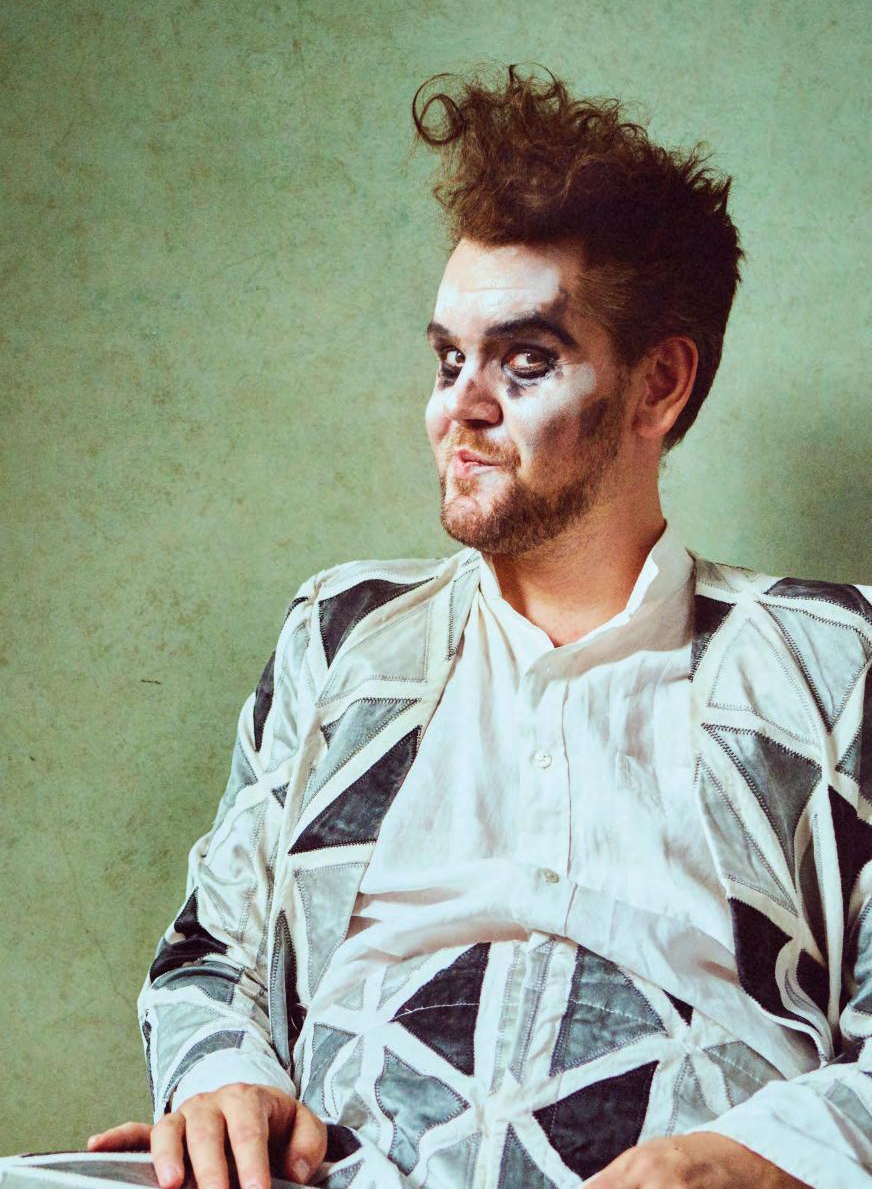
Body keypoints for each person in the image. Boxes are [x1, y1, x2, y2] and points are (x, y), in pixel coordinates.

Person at [87, 66, 872, 1189]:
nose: (458, 406)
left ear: (658, 385)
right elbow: (213, 953)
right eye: (448, 358)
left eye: (525, 360)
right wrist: (222, 1079)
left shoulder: (830, 660)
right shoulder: (345, 637)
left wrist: (748, 1158)